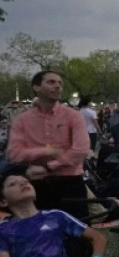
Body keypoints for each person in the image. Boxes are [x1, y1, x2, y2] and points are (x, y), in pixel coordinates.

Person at [7, 71, 91, 220]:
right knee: (41, 235)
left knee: (78, 237)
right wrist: (46, 151)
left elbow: (81, 150)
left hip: (70, 184)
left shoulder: (73, 116)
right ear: (36, 87)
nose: (58, 86)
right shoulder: (23, 120)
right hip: (37, 186)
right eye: (51, 82)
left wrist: (49, 166)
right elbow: (14, 153)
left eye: (60, 83)